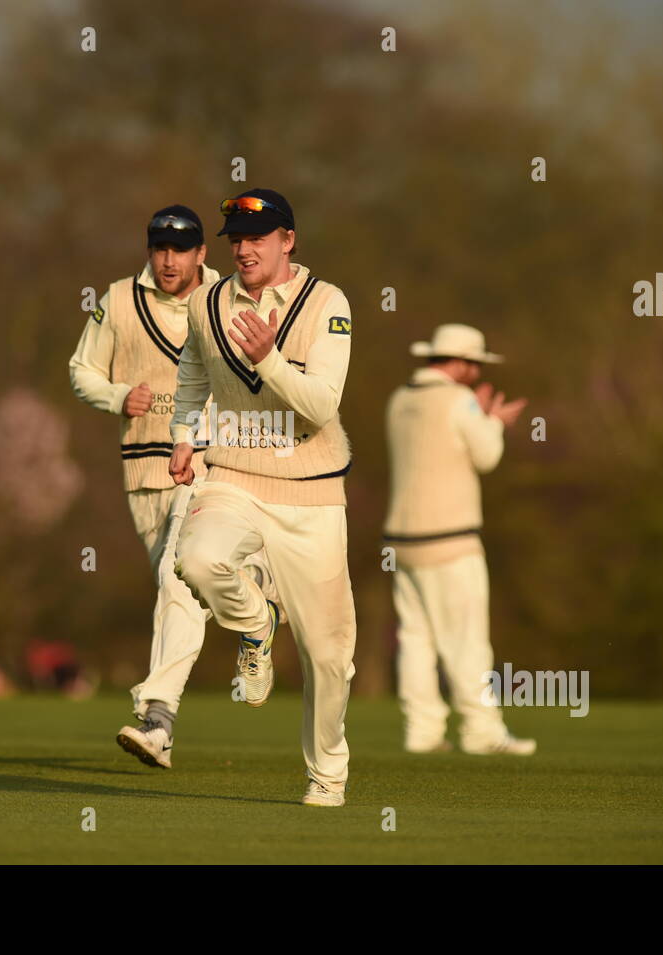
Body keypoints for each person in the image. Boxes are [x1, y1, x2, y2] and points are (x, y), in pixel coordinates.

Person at [68, 205, 278, 769]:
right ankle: (254, 604)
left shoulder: (229, 295)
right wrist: (116, 396)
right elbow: (80, 369)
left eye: (180, 250)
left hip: (211, 463)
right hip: (143, 471)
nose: (168, 260)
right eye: (159, 249)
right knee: (181, 587)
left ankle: (157, 716)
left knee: (175, 578)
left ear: (200, 253)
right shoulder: (115, 300)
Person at [169, 188, 357, 807]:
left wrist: (269, 358)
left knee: (330, 658)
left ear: (288, 240)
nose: (245, 248)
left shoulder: (328, 303)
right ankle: (255, 624)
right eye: (237, 239)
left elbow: (322, 405)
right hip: (234, 473)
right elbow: (193, 373)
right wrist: (183, 436)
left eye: (258, 237)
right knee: (196, 558)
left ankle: (327, 774)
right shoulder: (207, 301)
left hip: (312, 489)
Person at [383, 324, 536, 755]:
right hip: (449, 539)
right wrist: (492, 422)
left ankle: (423, 732)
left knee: (415, 639)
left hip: (401, 541)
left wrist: (479, 416)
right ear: (462, 363)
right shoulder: (460, 400)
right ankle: (480, 731)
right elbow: (487, 456)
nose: (478, 372)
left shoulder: (400, 399)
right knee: (466, 639)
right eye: (475, 364)